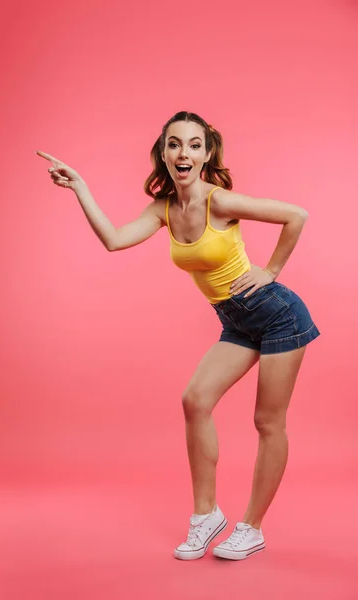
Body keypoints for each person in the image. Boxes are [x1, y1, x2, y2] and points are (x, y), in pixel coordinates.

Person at [36, 110, 320, 562]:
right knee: (195, 400)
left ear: (206, 154)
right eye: (173, 144)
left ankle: (252, 527)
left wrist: (272, 271)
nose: (182, 152)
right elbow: (113, 239)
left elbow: (296, 215)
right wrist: (80, 188)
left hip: (279, 316)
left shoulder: (218, 201)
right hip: (236, 320)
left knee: (267, 423)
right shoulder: (164, 209)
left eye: (192, 144)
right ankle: (206, 515)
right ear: (163, 154)